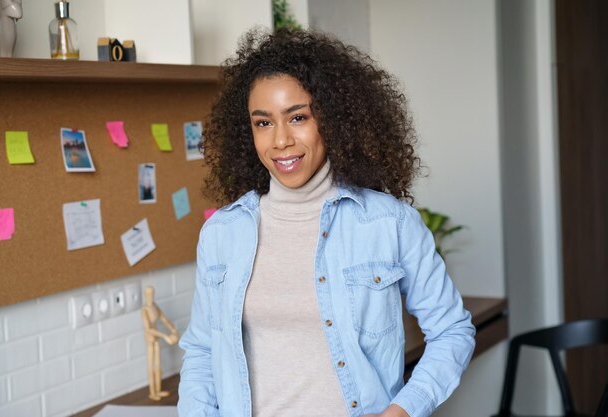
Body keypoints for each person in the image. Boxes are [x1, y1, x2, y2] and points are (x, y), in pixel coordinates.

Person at [178, 28, 475, 417]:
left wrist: (401, 411)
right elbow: (202, 351)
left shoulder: (390, 223)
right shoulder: (222, 233)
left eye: (298, 117)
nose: (281, 140)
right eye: (263, 123)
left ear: (333, 119)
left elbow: (452, 331)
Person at [142, 286, 179, 401]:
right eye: (148, 294)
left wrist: (173, 330)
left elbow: (164, 319)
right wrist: (165, 336)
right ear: (145, 295)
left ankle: (158, 390)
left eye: (152, 293)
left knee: (158, 365)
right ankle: (152, 392)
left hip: (157, 337)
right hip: (151, 337)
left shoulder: (155, 306)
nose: (150, 296)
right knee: (151, 365)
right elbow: (149, 329)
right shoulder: (144, 310)